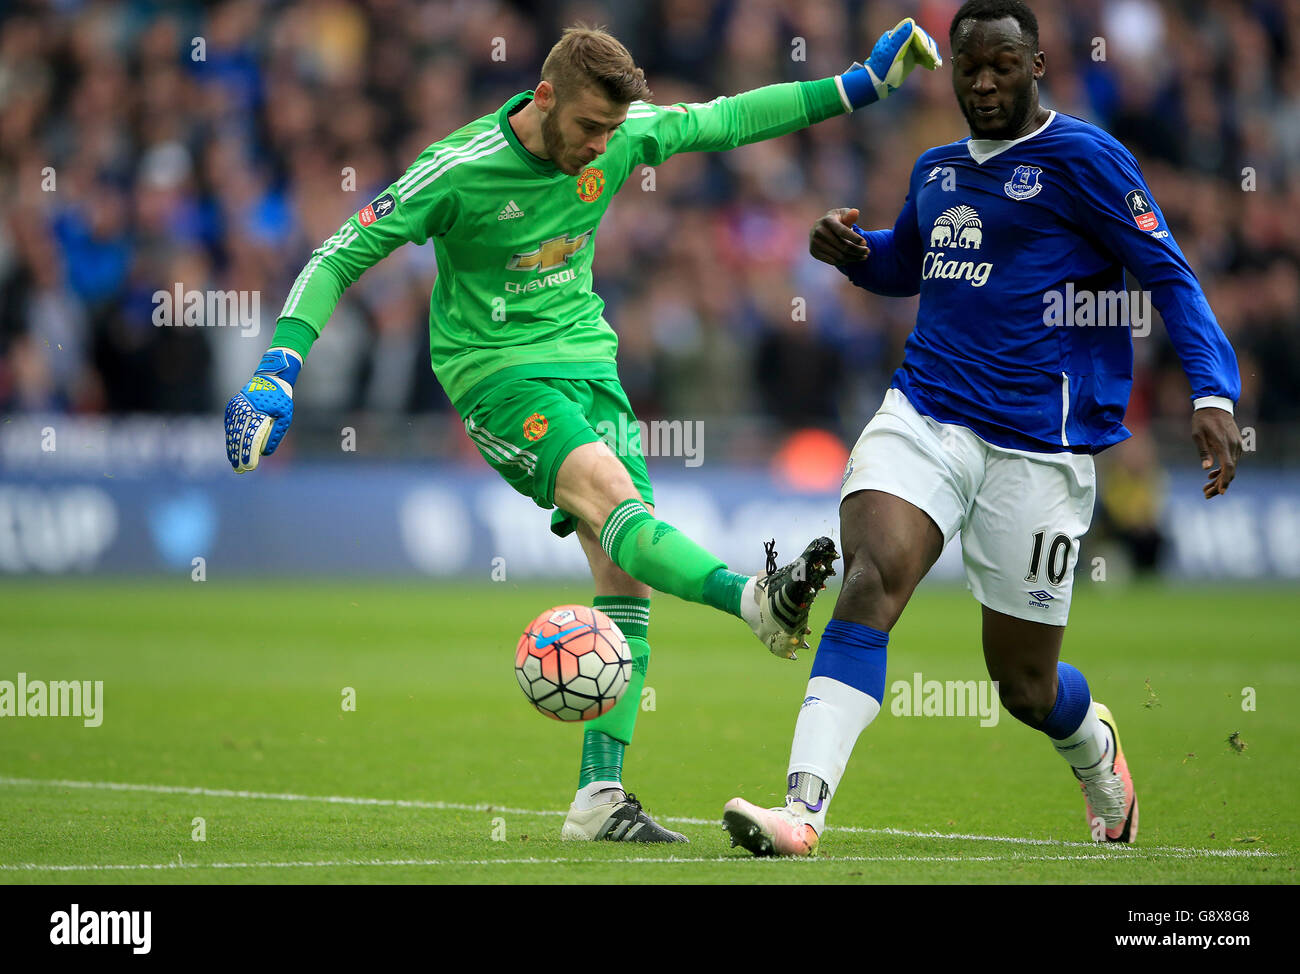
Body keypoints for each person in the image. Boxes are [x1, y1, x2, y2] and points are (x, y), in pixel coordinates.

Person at [224, 22, 941, 842]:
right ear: (544, 97)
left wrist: (860, 86)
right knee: (610, 500)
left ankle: (598, 799)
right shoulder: (458, 170)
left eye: (613, 130)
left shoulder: (621, 137)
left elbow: (731, 118)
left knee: (623, 573)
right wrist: (281, 363)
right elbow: (339, 255)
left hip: (588, 365)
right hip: (497, 376)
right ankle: (753, 599)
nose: (603, 145)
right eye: (590, 128)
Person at [723, 0, 1243, 856]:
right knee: (873, 574)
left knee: (1025, 685)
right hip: (926, 413)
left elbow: (1169, 276)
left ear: (1037, 65)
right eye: (970, 66)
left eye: (1004, 64)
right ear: (953, 70)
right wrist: (858, 256)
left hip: (1040, 447)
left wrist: (1213, 392)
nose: (986, 81)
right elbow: (914, 261)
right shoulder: (936, 169)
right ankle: (801, 814)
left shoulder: (1086, 158)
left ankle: (1094, 748)